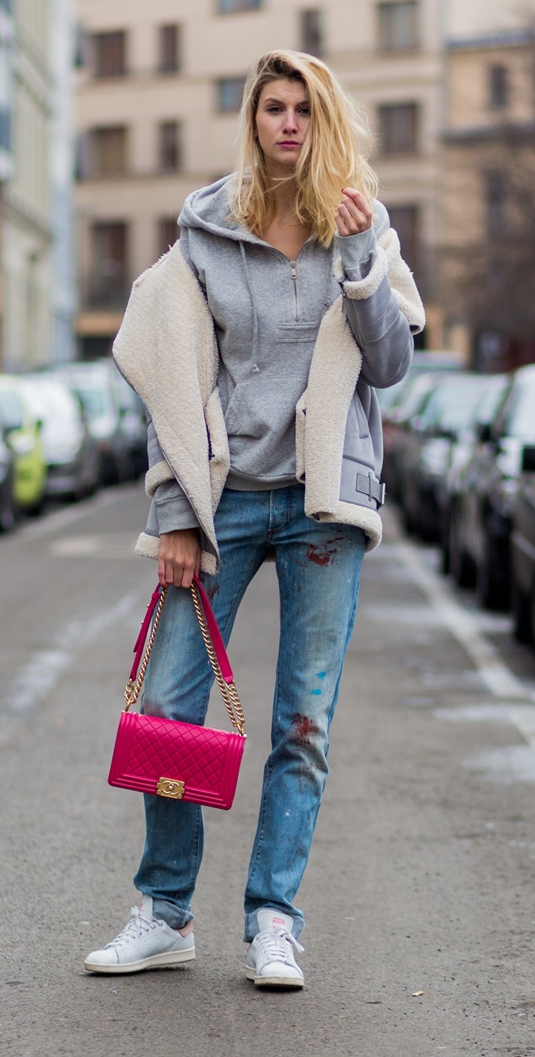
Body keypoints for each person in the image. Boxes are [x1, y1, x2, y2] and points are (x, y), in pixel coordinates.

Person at [87, 49, 422, 990]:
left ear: (327, 123)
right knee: (166, 707)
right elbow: (168, 380)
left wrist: (359, 264)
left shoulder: (364, 227)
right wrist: (176, 516)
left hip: (322, 508)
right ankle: (164, 910)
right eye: (274, 108)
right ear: (253, 120)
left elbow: (390, 366)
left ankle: (274, 919)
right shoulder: (205, 233)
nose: (288, 125)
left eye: (304, 111)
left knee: (303, 723)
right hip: (223, 502)